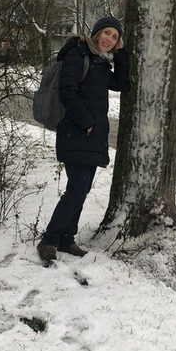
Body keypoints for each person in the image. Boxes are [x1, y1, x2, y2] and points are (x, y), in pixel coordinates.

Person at [37, 16, 129, 263]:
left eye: (114, 36)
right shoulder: (78, 55)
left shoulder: (100, 63)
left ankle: (67, 238)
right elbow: (67, 92)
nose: (109, 39)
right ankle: (49, 239)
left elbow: (120, 83)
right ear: (97, 32)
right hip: (74, 131)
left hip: (90, 135)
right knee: (77, 188)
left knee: (82, 188)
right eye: (106, 33)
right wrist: (87, 122)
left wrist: (121, 54)